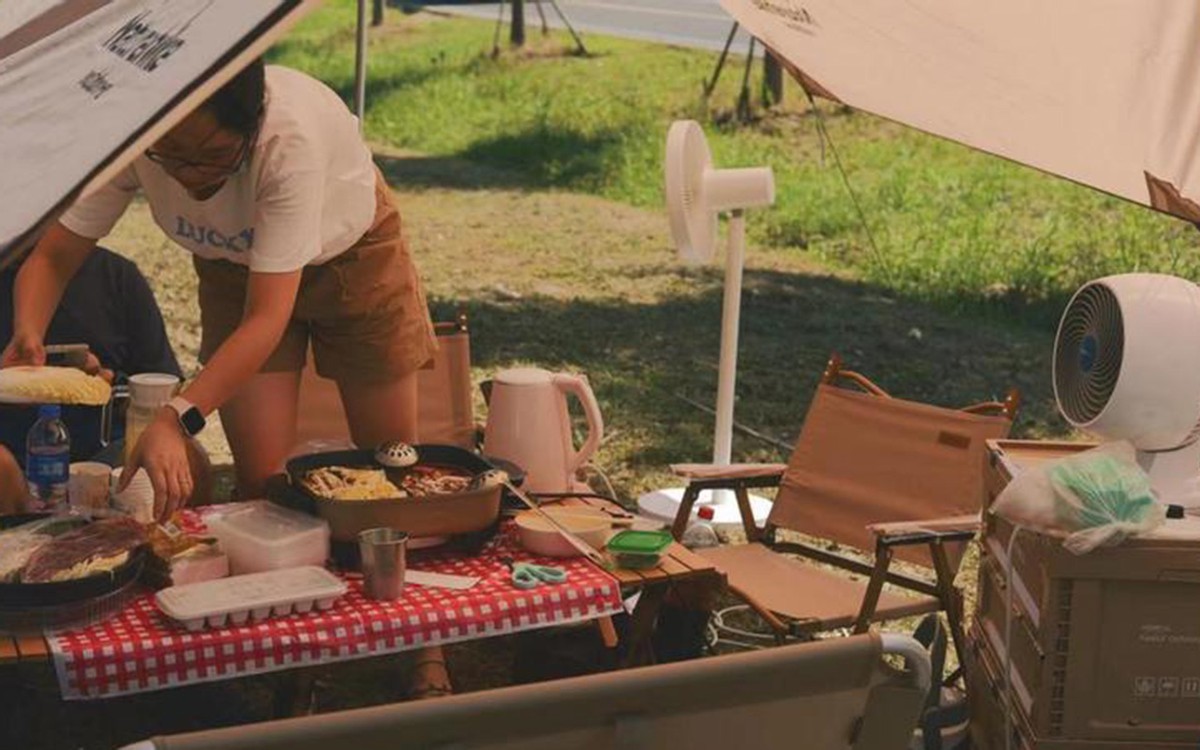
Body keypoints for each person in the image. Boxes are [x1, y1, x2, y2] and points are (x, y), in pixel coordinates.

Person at [2, 59, 445, 698]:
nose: (186, 176)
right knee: (267, 490)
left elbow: (269, 319)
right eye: (169, 159)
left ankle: (427, 648)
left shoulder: (285, 141)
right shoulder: (143, 131)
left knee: (391, 474)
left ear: (250, 124)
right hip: (232, 267)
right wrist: (28, 331)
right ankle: (292, 655)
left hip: (351, 252)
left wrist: (176, 417)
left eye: (208, 158)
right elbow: (56, 252)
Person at [0, 246, 182, 465]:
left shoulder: (116, 275)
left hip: (105, 452)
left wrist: (109, 386)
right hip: (8, 454)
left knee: (185, 455)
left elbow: (163, 388)